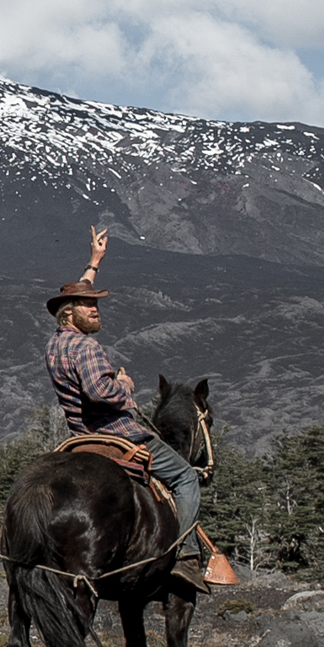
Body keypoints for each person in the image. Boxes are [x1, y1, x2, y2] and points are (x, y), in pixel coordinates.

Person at [44, 227, 210, 591]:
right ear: (69, 314)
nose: (95, 309)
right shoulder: (86, 348)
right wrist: (125, 387)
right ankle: (185, 556)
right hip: (118, 435)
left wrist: (94, 262)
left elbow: (76, 294)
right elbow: (99, 391)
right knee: (184, 476)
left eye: (97, 304)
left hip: (81, 437)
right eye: (89, 306)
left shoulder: (55, 344)